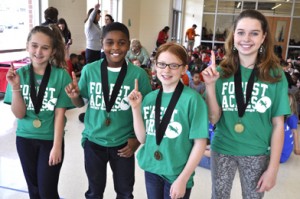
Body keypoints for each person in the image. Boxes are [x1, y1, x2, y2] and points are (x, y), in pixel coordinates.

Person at [202, 9, 290, 199]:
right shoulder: (221, 72)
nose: (246, 38)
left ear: (264, 37)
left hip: (256, 151)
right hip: (223, 148)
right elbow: (214, 118)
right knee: (219, 196)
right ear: (234, 36)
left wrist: (273, 169)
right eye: (241, 32)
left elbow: (278, 124)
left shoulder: (274, 74)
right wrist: (210, 86)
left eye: (254, 33)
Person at [65, 22, 152, 199]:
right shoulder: (90, 70)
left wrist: (136, 140)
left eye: (121, 42)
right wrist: (74, 95)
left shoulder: (139, 75)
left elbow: (147, 113)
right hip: (94, 141)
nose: (115, 47)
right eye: (110, 42)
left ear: (128, 44)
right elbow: (79, 103)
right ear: (101, 43)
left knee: (125, 192)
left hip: (124, 144)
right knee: (94, 192)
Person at [128, 42, 208, 199]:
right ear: (155, 66)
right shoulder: (150, 98)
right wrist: (135, 109)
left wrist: (183, 179)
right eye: (162, 64)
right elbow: (143, 138)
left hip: (177, 173)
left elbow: (200, 144)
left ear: (184, 69)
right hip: (152, 168)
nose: (166, 70)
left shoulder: (193, 100)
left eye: (173, 65)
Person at [4, 24, 73, 199]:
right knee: (34, 191)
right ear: (27, 46)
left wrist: (57, 146)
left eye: (45, 47)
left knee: (47, 192)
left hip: (49, 140)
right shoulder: (18, 75)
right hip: (25, 140)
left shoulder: (61, 76)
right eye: (34, 45)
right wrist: (16, 87)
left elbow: (59, 114)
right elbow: (19, 114)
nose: (38, 52)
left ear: (52, 51)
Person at [280, 93, 300, 163]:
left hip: (282, 153)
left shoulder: (292, 118)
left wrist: (297, 148)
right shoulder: (281, 115)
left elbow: (295, 132)